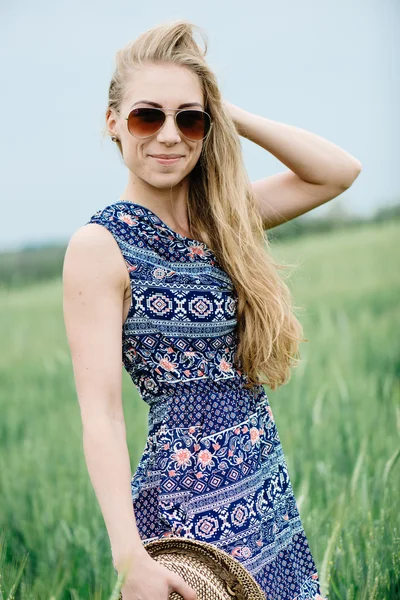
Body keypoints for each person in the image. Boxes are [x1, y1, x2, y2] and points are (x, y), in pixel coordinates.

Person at [62, 20, 361, 600]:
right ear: (114, 124)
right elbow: (100, 416)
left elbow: (337, 172)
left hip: (265, 491)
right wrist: (131, 559)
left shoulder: (223, 220)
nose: (169, 136)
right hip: (187, 510)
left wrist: (228, 110)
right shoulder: (100, 247)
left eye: (189, 119)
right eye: (148, 116)